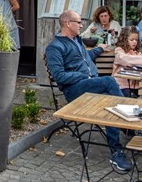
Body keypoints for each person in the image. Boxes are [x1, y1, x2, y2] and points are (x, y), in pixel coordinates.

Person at [45, 10, 132, 172]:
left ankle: (116, 151)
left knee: (110, 102)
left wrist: (98, 49)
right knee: (109, 80)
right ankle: (129, 118)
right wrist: (82, 75)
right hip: (75, 91)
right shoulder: (55, 47)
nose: (81, 25)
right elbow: (59, 76)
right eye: (78, 22)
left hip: (89, 86)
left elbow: (85, 58)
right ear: (67, 23)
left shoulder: (77, 40)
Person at [112, 26, 142, 97]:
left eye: (136, 40)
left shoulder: (137, 52)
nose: (134, 42)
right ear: (124, 40)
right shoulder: (119, 50)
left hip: (136, 86)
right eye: (132, 39)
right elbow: (125, 59)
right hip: (121, 86)